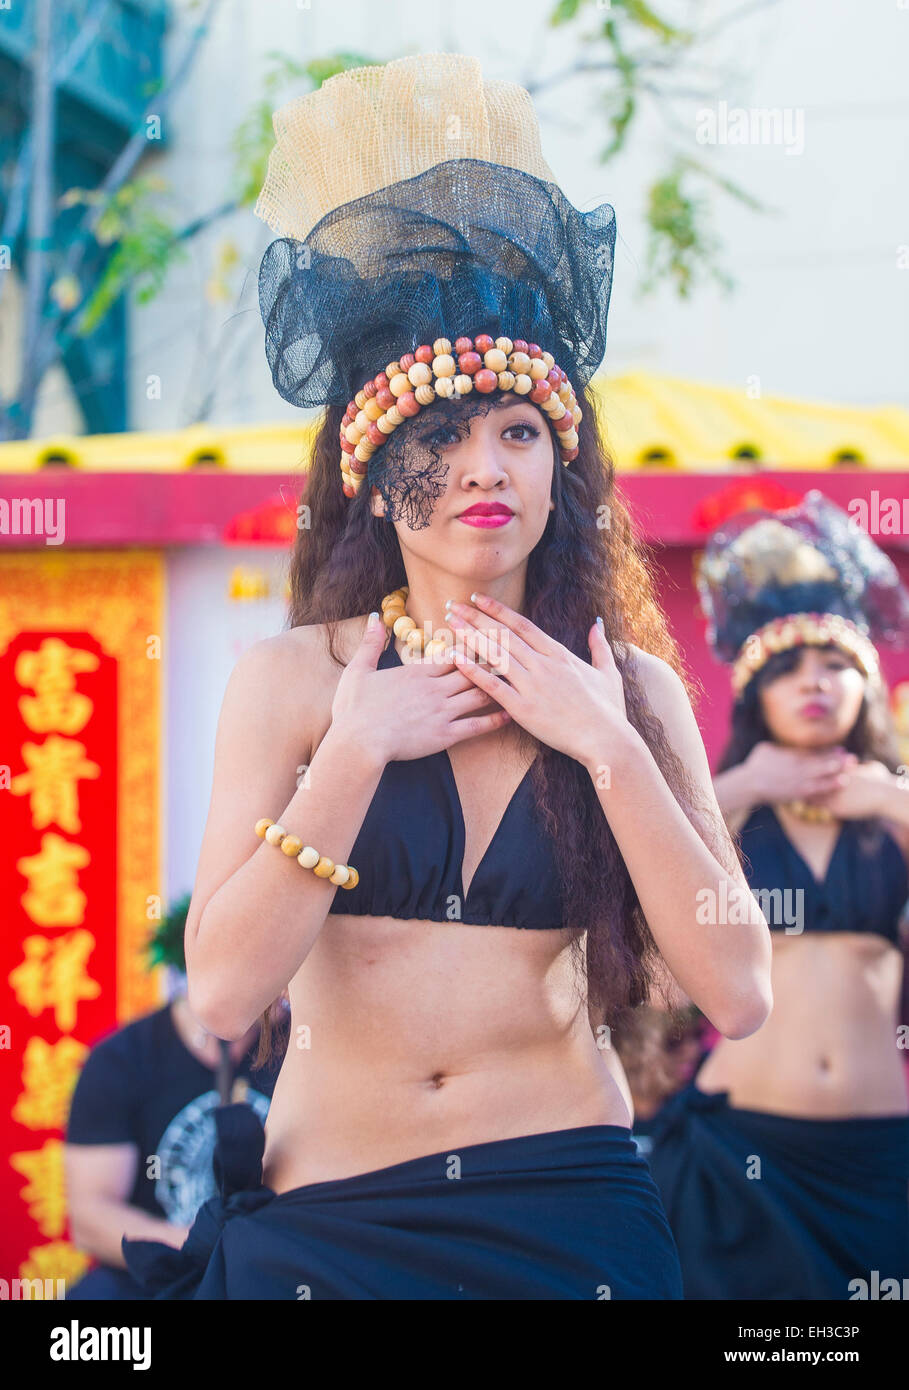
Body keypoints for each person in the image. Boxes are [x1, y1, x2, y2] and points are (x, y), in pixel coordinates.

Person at [121, 52, 771, 1301]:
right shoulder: (294, 683)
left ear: (558, 467)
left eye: (519, 433)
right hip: (333, 1218)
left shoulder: (627, 685)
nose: (487, 466)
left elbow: (740, 990)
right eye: (443, 435)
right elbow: (223, 993)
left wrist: (608, 746)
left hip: (572, 1202)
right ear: (376, 475)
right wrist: (359, 749)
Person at [645, 492, 909, 1300]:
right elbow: (647, 896)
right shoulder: (728, 806)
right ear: (754, 695)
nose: (814, 684)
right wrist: (739, 788)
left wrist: (892, 800)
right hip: (743, 1150)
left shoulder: (894, 810)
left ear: (865, 684)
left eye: (835, 665)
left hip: (878, 1156)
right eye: (787, 670)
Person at [64, 992, 277, 1299]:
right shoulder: (121, 1058)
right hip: (159, 1275)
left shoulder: (308, 1050)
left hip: (278, 1271)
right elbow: (91, 1218)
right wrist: (201, 1246)